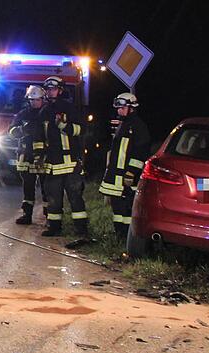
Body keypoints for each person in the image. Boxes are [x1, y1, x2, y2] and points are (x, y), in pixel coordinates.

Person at [39, 75, 88, 241]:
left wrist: (64, 126)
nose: (49, 92)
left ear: (60, 90)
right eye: (47, 89)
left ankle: (81, 230)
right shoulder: (44, 111)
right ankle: (54, 227)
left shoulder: (69, 108)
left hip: (70, 163)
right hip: (52, 164)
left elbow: (81, 130)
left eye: (52, 89)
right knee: (53, 198)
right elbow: (40, 136)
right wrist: (39, 156)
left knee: (75, 197)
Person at [98, 92, 150, 239]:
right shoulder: (123, 125)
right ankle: (119, 235)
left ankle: (127, 238)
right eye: (118, 108)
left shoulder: (138, 127)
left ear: (131, 108)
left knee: (127, 209)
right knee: (117, 209)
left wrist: (131, 173)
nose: (119, 110)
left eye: (122, 108)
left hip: (127, 178)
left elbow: (141, 152)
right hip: (116, 177)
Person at [9, 85, 46, 224]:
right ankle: (27, 214)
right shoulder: (23, 114)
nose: (34, 103)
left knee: (46, 188)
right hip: (26, 156)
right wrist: (23, 130)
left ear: (43, 99)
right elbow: (11, 131)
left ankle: (49, 216)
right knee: (28, 187)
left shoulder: (47, 113)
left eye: (37, 100)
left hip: (43, 156)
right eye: (32, 100)